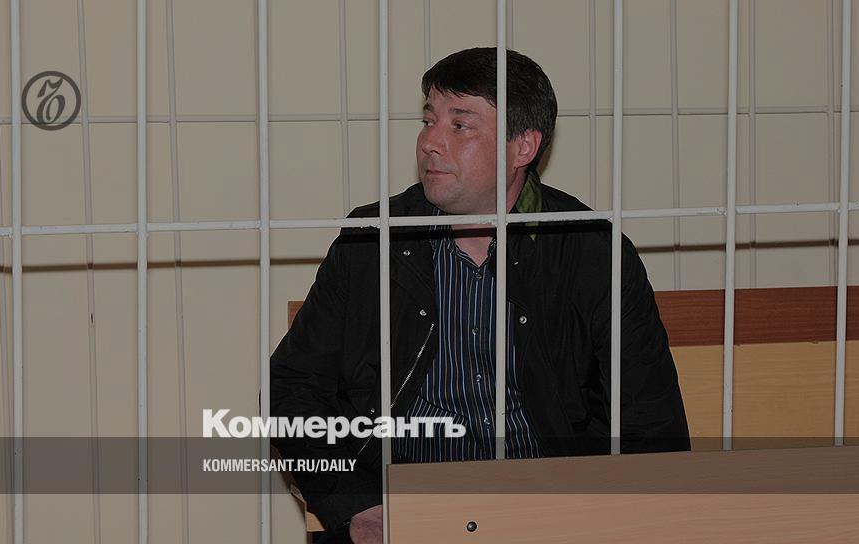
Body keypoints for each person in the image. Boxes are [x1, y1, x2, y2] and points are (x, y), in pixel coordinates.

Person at [269, 47, 690, 544]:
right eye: (429, 120)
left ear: (523, 146)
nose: (430, 142)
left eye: (460, 125)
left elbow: (650, 423)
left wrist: (605, 518)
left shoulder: (590, 251)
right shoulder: (373, 240)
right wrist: (356, 504)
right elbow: (292, 387)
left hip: (551, 510)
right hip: (406, 510)